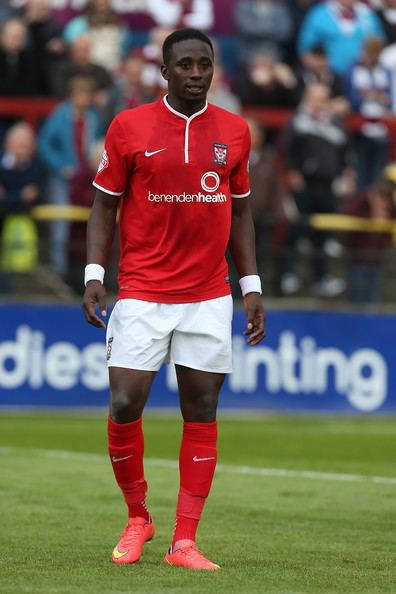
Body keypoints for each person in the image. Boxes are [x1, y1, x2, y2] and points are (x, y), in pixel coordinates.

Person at [82, 28, 265, 571]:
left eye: (203, 63)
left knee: (202, 408)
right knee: (123, 403)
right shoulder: (129, 126)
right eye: (183, 63)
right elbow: (102, 205)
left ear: (214, 69)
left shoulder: (234, 131)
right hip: (141, 289)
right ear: (164, 72)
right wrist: (95, 274)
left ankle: (183, 542)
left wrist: (250, 287)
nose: (194, 72)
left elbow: (243, 213)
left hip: (209, 294)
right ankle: (139, 517)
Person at [281, 82, 355, 297]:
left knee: (323, 234)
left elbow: (346, 152)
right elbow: (287, 151)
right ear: (308, 98)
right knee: (297, 230)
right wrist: (293, 173)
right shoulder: (298, 121)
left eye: (325, 98)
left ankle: (321, 278)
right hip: (304, 185)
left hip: (328, 186)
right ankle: (289, 275)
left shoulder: (335, 123)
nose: (322, 103)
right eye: (318, 98)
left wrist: (347, 174)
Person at [342, 176, 396, 303]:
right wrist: (370, 216)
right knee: (356, 299)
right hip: (358, 257)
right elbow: (346, 213)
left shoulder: (390, 203)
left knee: (372, 301)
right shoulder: (364, 198)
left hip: (377, 258)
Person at [298, 0, 385, 75]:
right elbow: (306, 50)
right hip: (332, 79)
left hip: (362, 78)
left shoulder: (367, 15)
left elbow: (379, 43)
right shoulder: (318, 15)